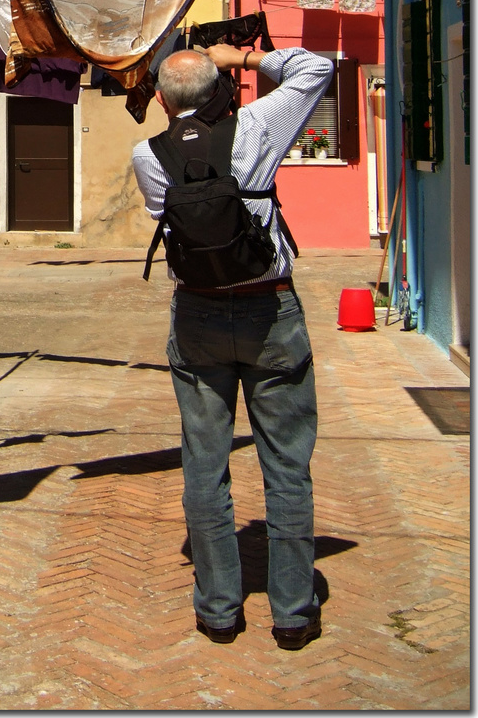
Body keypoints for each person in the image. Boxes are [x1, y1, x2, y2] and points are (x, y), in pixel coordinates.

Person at [132, 43, 333, 649]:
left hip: (197, 315)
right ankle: (292, 613)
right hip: (270, 310)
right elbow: (317, 67)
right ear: (220, 90)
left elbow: (161, 215)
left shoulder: (149, 154)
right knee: (287, 467)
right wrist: (239, 56)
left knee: (204, 464)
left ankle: (219, 610)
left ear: (163, 101)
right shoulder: (258, 125)